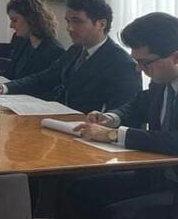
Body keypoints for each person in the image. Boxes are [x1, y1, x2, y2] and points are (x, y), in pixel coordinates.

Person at [64, 12, 178, 218]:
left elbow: (174, 141)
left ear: (176, 57)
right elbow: (138, 105)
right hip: (157, 176)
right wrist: (111, 117)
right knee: (81, 189)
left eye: (144, 63)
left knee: (117, 214)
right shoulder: (162, 80)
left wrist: (113, 135)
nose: (139, 69)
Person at [0, 0, 140, 113]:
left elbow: (122, 114)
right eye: (68, 21)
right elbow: (44, 78)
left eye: (77, 21)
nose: (69, 28)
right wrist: (4, 87)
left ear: (101, 24)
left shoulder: (122, 64)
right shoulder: (76, 50)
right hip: (62, 124)